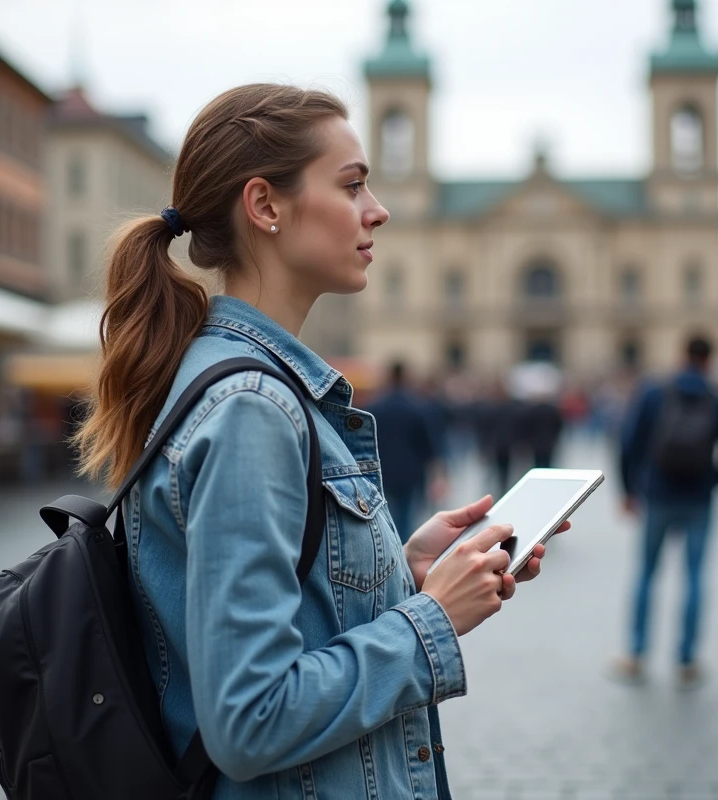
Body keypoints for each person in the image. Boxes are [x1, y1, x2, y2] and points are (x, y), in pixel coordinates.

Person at [69, 84, 566, 799]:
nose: (378, 209)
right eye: (352, 184)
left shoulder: (239, 380)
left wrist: (403, 571)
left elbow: (287, 615)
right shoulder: (252, 408)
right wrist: (432, 620)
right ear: (266, 206)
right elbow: (249, 719)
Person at [616, 334, 718, 684]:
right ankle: (687, 658)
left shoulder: (654, 392)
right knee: (694, 577)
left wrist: (629, 490)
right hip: (698, 499)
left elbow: (628, 443)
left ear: (681, 356)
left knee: (647, 574)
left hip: (657, 496)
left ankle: (635, 653)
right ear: (709, 360)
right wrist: (715, 478)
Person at [366, 362, 442, 542]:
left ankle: (388, 548)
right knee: (406, 516)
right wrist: (436, 471)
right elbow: (426, 444)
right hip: (410, 471)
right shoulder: (416, 407)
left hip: (382, 469)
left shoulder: (375, 407)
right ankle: (403, 552)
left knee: (384, 515)